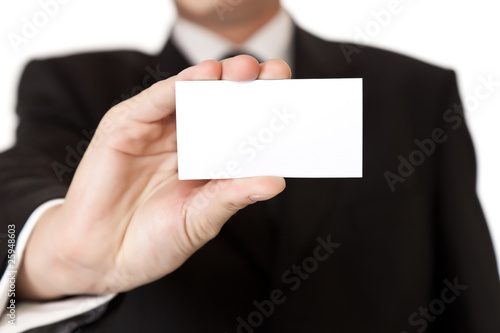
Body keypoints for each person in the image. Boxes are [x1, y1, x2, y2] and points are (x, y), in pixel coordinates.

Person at [1, 0, 499, 332]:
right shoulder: (70, 83)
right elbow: (16, 184)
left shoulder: (412, 88)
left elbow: (468, 288)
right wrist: (61, 259)